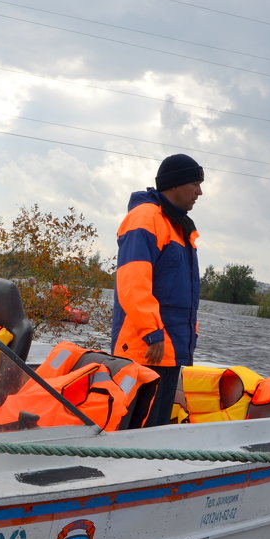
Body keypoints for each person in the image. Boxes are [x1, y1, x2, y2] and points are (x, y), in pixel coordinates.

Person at [110, 154, 204, 427]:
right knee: (132, 435)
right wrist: (153, 333)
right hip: (145, 349)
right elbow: (133, 283)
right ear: (175, 185)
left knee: (153, 434)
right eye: (195, 184)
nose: (200, 192)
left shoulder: (177, 226)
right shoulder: (145, 219)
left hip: (166, 348)